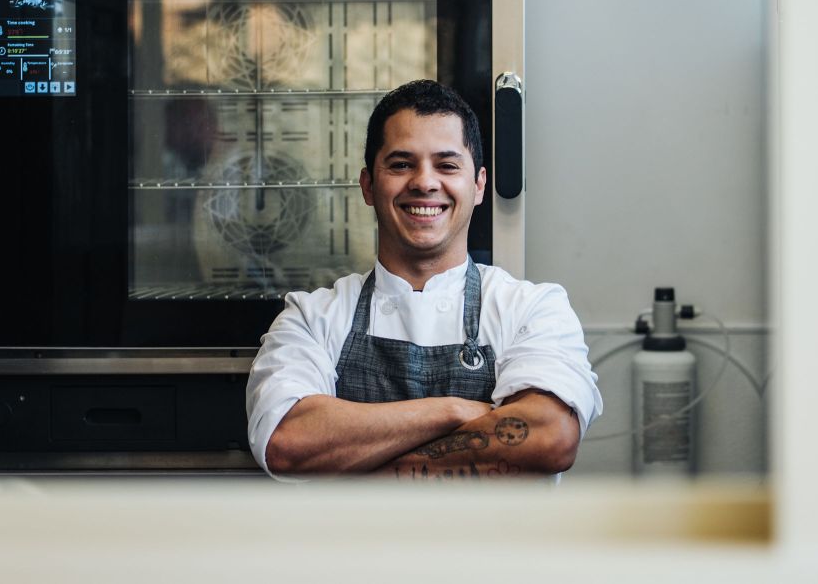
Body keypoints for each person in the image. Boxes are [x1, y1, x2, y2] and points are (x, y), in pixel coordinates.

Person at [246, 79, 602, 480]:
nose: (425, 182)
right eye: (401, 164)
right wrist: (457, 409)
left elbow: (548, 436)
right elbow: (290, 442)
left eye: (447, 165)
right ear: (368, 185)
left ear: (479, 184)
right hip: (355, 545)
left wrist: (370, 469)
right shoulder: (311, 317)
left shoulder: (533, 308)